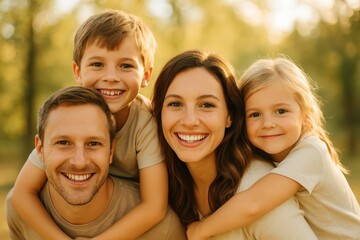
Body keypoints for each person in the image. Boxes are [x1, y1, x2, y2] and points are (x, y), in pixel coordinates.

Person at [11, 10, 169, 239]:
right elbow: (22, 194)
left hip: (124, 209)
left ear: (146, 75)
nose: (111, 76)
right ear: (78, 71)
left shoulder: (147, 122)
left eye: (126, 66)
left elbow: (154, 207)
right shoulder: (66, 115)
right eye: (97, 64)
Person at [185, 57, 360, 239]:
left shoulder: (312, 152)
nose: (267, 123)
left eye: (281, 111)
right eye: (255, 114)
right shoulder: (264, 153)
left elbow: (254, 203)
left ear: (306, 115)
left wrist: (201, 229)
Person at [151, 50, 318, 239]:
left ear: (229, 116)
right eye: (175, 104)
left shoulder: (256, 189)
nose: (190, 121)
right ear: (159, 113)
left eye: (206, 105)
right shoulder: (165, 183)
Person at [6, 86, 186, 240]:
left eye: (93, 144)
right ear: (40, 149)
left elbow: (154, 207)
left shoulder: (163, 230)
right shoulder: (20, 211)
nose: (79, 162)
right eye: (63, 143)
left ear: (111, 151)